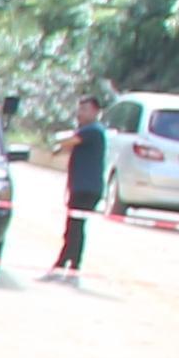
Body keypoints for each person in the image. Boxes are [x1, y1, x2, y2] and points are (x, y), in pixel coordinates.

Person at [51, 102, 106, 281]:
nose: (80, 113)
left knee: (75, 229)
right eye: (79, 109)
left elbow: (67, 141)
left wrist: (57, 142)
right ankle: (63, 266)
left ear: (96, 112)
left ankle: (71, 268)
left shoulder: (93, 131)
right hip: (79, 187)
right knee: (72, 229)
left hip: (86, 189)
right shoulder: (86, 131)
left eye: (85, 109)